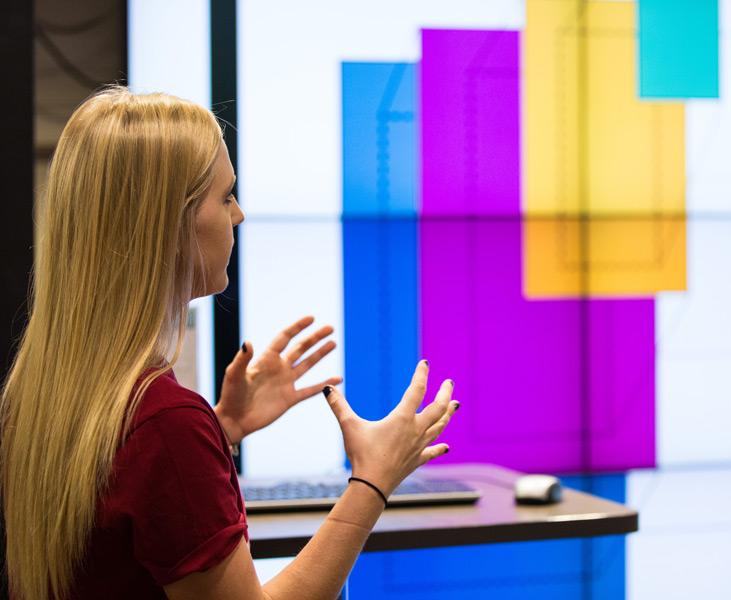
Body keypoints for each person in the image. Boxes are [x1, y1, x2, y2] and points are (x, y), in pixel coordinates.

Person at [0, 87, 458, 600]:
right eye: (225, 197)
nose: (237, 216)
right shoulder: (164, 422)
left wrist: (223, 428)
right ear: (166, 224)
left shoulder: (40, 389)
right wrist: (373, 479)